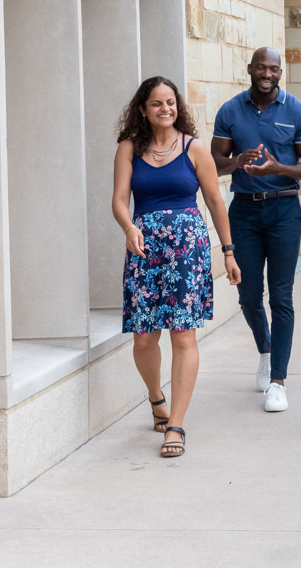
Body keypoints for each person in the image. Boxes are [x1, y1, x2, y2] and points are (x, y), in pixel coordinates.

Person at [112, 76, 241, 457]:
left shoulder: (195, 148)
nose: (165, 108)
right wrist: (129, 226)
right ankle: (156, 397)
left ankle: (177, 425)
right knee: (144, 337)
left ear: (177, 106)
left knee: (183, 336)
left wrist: (228, 252)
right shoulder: (129, 149)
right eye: (156, 103)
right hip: (145, 250)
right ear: (143, 110)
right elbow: (119, 200)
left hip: (187, 250)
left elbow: (216, 203)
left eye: (170, 102)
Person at [211, 47, 301, 413]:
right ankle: (265, 350)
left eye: (273, 68)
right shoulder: (230, 110)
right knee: (247, 295)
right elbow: (213, 163)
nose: (267, 73)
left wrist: (278, 168)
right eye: (261, 67)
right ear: (250, 69)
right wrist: (236, 162)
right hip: (243, 211)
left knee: (281, 296)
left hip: (285, 209)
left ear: (280, 72)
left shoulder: (299, 112)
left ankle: (278, 381)